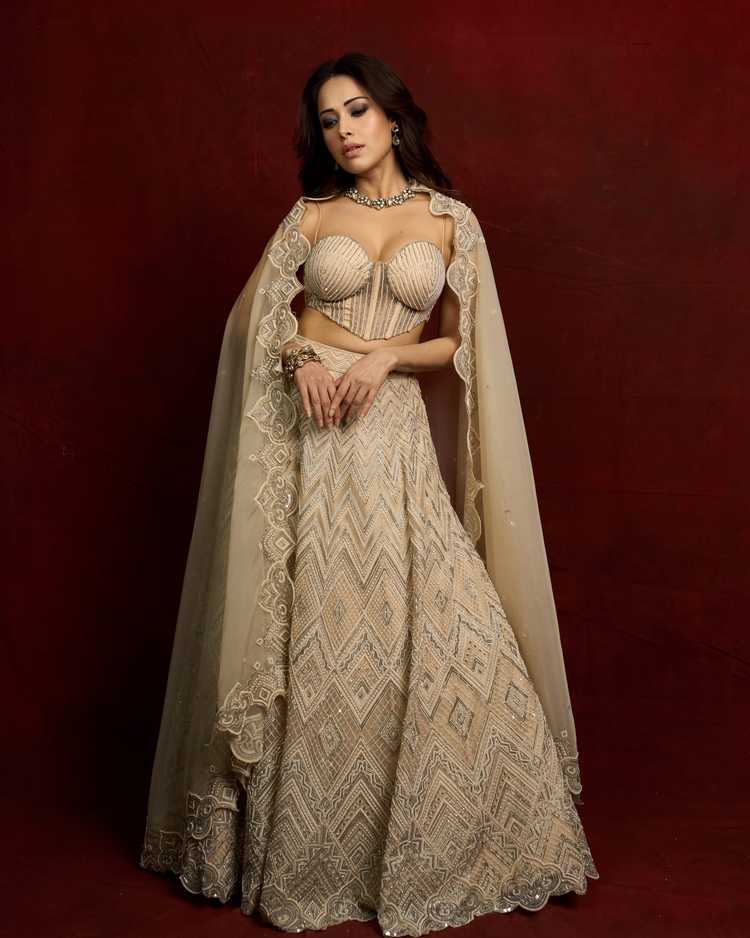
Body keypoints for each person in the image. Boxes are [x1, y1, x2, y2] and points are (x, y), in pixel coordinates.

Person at [139, 52, 599, 936]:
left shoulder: (452, 221)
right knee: (313, 618)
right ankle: (302, 848)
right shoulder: (312, 216)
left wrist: (387, 356)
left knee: (426, 614)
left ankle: (442, 839)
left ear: (393, 116)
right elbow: (253, 320)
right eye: (327, 120)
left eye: (356, 111)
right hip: (310, 432)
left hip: (389, 428)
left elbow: (460, 344)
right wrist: (300, 356)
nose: (344, 131)